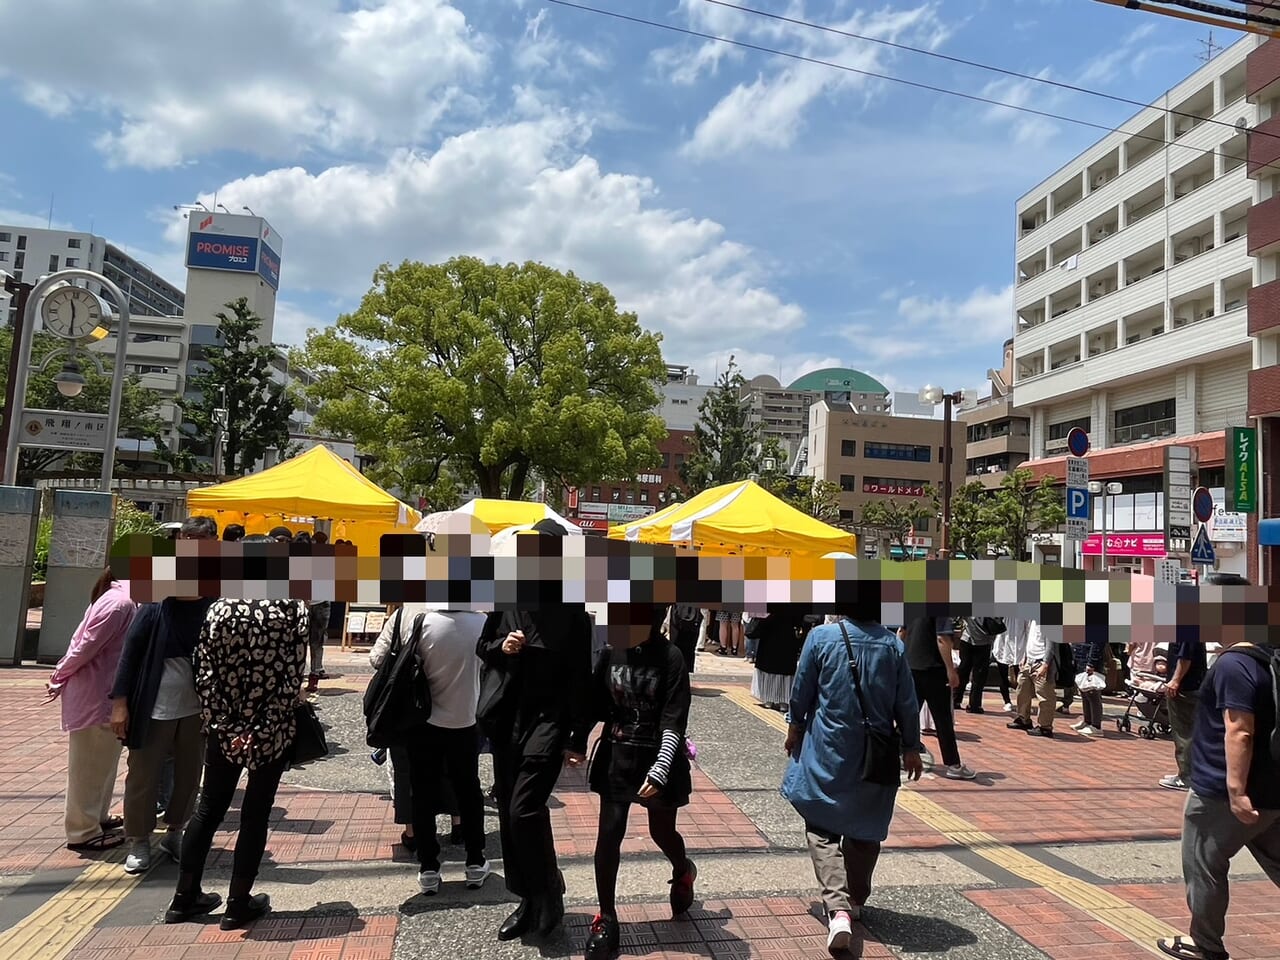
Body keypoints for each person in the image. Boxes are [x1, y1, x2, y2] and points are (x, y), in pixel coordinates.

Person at [476, 519, 595, 942]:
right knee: (510, 813)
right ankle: (528, 897)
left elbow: (582, 678)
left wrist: (578, 736)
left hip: (550, 722)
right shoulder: (507, 597)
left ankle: (549, 892)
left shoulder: (574, 613)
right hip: (508, 718)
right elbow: (483, 646)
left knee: (523, 809)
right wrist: (501, 647)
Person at [164, 595, 310, 930]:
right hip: (272, 730)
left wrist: (227, 725)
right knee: (256, 813)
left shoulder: (219, 608)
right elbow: (290, 679)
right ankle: (237, 902)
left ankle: (184, 898)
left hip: (223, 729)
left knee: (208, 808)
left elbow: (203, 671)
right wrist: (259, 727)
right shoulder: (291, 609)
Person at [782, 612, 924, 955]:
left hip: (827, 746)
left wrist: (794, 725)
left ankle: (839, 909)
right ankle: (856, 899)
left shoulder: (821, 637)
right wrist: (910, 747)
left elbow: (802, 688)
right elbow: (906, 701)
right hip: (876, 751)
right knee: (865, 827)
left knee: (821, 826)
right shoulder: (893, 645)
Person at [578, 605, 696, 960]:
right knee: (609, 835)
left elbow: (674, 719)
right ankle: (607, 918)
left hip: (659, 758)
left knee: (662, 833)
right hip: (617, 756)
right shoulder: (613, 652)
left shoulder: (672, 657)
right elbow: (595, 703)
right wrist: (574, 739)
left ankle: (682, 867)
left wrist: (660, 769)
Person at [1156, 639, 1280, 960]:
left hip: (1222, 794)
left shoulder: (1233, 664)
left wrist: (1236, 791)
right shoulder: (1270, 659)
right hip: (1271, 788)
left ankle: (1204, 943)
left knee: (1204, 864)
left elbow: (1239, 729)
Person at [110, 515, 217, 875]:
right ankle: (138, 840)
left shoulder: (215, 605)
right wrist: (120, 704)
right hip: (154, 706)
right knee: (142, 774)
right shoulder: (154, 606)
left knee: (189, 776)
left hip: (197, 708)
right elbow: (130, 655)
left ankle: (175, 831)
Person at [398, 601, 490, 895]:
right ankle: (475, 862)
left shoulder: (423, 622)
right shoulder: (482, 624)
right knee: (468, 792)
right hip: (466, 720)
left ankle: (428, 868)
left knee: (422, 793)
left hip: (425, 722)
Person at [46, 568, 139, 851]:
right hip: (97, 695)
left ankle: (97, 816)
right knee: (88, 767)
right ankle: (82, 831)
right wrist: (59, 674)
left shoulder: (124, 598)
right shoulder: (119, 603)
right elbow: (86, 647)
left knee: (103, 763)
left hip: (104, 694)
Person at [903, 617, 975, 779]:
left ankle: (899, 753)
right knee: (943, 720)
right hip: (934, 670)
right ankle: (953, 764)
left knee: (908, 715)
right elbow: (942, 639)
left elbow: (902, 632)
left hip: (912, 667)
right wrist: (951, 670)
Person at [1161, 631, 1209, 792]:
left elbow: (1185, 656)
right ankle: (1187, 773)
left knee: (1184, 733)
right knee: (1189, 731)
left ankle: (1186, 776)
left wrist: (1175, 680)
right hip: (1191, 685)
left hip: (1185, 688)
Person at [1008, 617, 1058, 738]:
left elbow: (1051, 645)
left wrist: (1045, 665)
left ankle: (1045, 727)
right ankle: (1023, 718)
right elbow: (1029, 638)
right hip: (1029, 661)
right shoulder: (1032, 620)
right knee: (1022, 689)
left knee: (1045, 695)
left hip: (1041, 663)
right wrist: (1024, 656)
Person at [751, 607, 805, 711]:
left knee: (768, 665)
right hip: (788, 635)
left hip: (770, 633)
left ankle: (768, 699)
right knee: (785, 668)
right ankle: (784, 701)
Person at [955, 617, 1005, 714]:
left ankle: (956, 700)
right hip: (983, 642)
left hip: (968, 639)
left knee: (963, 671)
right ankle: (974, 705)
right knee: (979, 675)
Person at [1070, 630, 1109, 737]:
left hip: (1088, 659)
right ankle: (1087, 721)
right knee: (1084, 691)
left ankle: (1096, 725)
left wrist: (1092, 662)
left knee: (1092, 693)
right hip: (1081, 656)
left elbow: (1098, 642)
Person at [666, 604, 702, 675]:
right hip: (688, 615)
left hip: (682, 614)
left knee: (682, 647)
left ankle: (679, 673)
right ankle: (684, 674)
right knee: (688, 648)